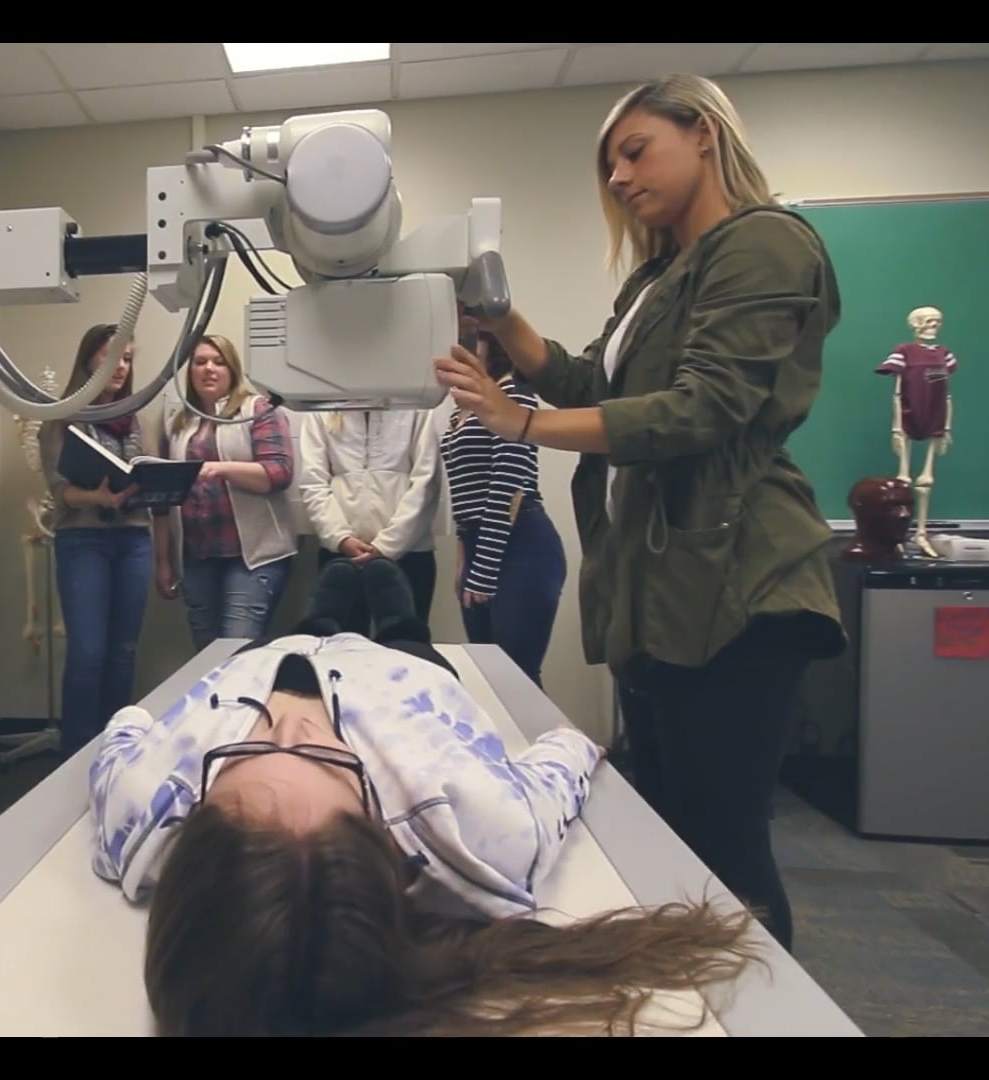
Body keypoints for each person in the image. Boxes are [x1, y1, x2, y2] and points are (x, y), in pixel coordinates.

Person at [433, 72, 848, 954]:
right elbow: (596, 384)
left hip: (738, 584)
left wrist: (524, 423)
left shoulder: (765, 244)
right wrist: (503, 323)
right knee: (671, 837)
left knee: (726, 851)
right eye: (608, 167)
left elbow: (705, 407)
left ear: (702, 134)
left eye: (634, 151)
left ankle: (763, 1008)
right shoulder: (661, 277)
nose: (618, 179)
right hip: (663, 587)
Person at [88, 555, 766, 1037]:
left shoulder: (144, 811)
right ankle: (385, 589)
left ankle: (337, 590)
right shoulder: (475, 826)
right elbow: (560, 765)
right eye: (321, 761)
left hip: (269, 657)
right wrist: (569, 743)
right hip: (400, 680)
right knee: (401, 615)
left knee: (319, 609)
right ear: (385, 836)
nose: (290, 721)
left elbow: (124, 731)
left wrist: (160, 728)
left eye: (251, 751)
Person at [39, 324, 168, 755]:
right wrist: (94, 496)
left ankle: (118, 749)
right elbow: (58, 488)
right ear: (89, 360)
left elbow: (157, 482)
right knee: (88, 651)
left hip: (133, 537)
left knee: (123, 651)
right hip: (83, 539)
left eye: (127, 359)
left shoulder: (142, 421)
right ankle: (75, 754)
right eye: (110, 357)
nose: (120, 367)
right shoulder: (62, 418)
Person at [440, 327, 569, 689]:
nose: (460, 356)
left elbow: (508, 487)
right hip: (480, 542)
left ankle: (542, 746)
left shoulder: (513, 394)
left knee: (517, 679)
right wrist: (464, 559)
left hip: (521, 543)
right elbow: (462, 493)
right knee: (489, 678)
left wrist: (483, 567)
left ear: (491, 347)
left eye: (469, 346)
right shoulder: (460, 413)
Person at [154, 334, 298, 648]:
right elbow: (163, 500)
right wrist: (163, 560)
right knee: (205, 655)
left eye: (219, 362)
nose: (210, 369)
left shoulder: (257, 410)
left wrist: (221, 469)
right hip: (197, 557)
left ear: (232, 370)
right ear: (189, 371)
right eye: (200, 362)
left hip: (253, 557)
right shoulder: (177, 423)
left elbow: (279, 472)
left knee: (235, 650)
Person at [296, 403, 444, 630]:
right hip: (341, 555)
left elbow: (427, 481)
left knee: (406, 644)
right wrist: (341, 538)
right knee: (343, 649)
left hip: (410, 552)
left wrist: (386, 546)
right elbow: (312, 481)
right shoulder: (321, 406)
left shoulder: (415, 402)